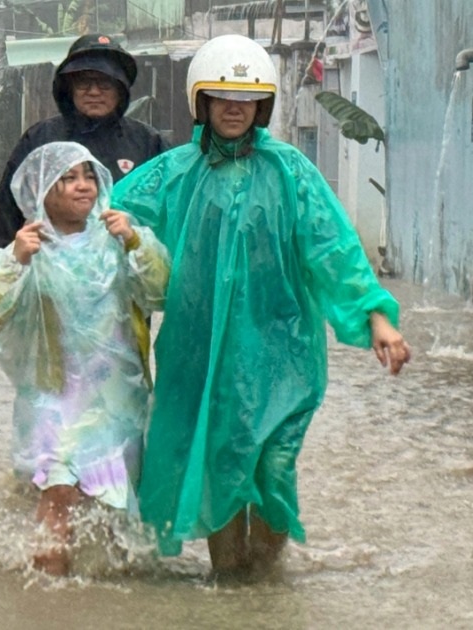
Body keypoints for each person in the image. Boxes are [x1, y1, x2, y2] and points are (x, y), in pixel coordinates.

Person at [110, 34, 412, 581]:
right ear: (200, 101)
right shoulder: (172, 173)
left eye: (245, 98)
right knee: (222, 467)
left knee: (273, 469)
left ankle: (263, 582)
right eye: (222, 96)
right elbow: (105, 223)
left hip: (281, 353)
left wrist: (378, 320)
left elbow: (334, 248)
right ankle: (234, 592)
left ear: (262, 106)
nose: (234, 107)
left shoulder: (291, 172)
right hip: (201, 353)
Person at [0, 141, 170, 576]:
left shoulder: (117, 240)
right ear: (42, 190)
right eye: (69, 179)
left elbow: (160, 291)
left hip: (115, 400)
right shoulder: (28, 250)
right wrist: (14, 262)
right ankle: (48, 601)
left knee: (112, 517)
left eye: (89, 176)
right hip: (52, 400)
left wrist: (135, 242)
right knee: (58, 500)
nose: (84, 187)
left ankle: (98, 606)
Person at [0, 34, 169, 263]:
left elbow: (167, 222)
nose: (94, 91)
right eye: (84, 82)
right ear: (69, 88)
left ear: (121, 89)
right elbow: (5, 219)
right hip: (50, 281)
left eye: (105, 83)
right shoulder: (41, 140)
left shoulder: (147, 143)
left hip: (126, 284)